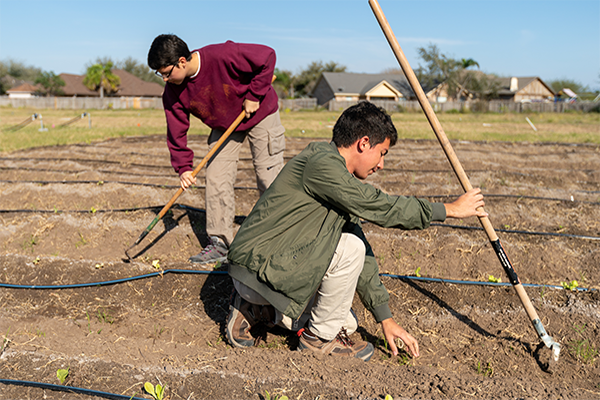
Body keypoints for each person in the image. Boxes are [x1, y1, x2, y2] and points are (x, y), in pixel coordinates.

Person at [225, 101, 487, 361]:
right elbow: (380, 207)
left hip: (274, 268)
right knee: (346, 262)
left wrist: (385, 318)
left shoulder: (339, 178)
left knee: (347, 323)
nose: (381, 164)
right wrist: (448, 210)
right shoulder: (322, 165)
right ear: (363, 143)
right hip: (257, 269)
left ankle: (256, 310)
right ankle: (316, 340)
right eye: (382, 153)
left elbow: (362, 251)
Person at [147, 34, 285, 265]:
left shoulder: (223, 55)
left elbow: (267, 55)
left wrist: (253, 96)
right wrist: (183, 167)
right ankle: (220, 243)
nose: (164, 79)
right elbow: (176, 130)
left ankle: (279, 236)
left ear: (182, 61)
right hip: (224, 125)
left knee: (268, 176)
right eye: (159, 74)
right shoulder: (172, 91)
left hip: (259, 114)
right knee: (216, 178)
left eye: (166, 72)